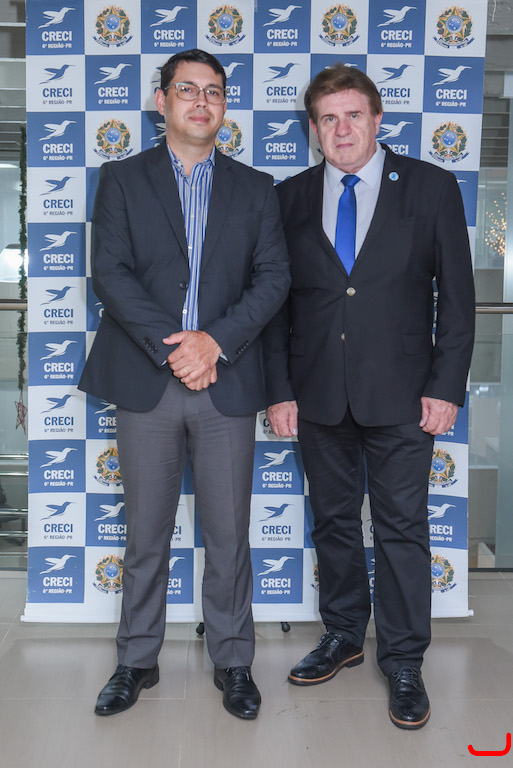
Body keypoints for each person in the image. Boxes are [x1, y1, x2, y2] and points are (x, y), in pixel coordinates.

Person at [79, 48, 290, 720]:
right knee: (146, 534)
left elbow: (274, 278)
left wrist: (213, 343)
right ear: (162, 100)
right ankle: (136, 661)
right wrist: (178, 349)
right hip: (148, 378)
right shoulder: (121, 178)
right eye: (188, 90)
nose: (202, 102)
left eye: (214, 92)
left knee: (229, 535)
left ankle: (233, 661)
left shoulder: (256, 187)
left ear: (224, 105)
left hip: (225, 380)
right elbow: (110, 274)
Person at [264, 63, 474, 730]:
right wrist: (279, 391)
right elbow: (275, 306)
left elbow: (458, 301)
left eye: (353, 115)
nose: (342, 129)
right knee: (331, 522)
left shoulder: (431, 187)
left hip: (405, 396)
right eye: (328, 119)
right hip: (317, 394)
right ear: (313, 128)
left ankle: (405, 660)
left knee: (401, 528)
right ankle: (343, 635)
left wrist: (445, 387)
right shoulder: (288, 197)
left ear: (377, 120)